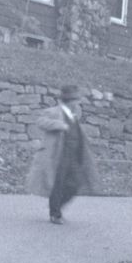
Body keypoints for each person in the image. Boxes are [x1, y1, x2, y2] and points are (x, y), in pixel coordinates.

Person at [26, 84, 96, 223]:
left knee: (75, 184)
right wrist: (59, 125)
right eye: (76, 100)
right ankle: (55, 213)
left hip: (74, 154)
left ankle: (56, 204)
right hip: (58, 154)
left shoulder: (75, 114)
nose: (78, 103)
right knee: (58, 183)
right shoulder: (53, 112)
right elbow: (41, 122)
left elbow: (76, 132)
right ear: (69, 101)